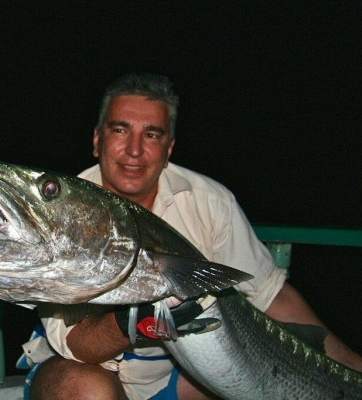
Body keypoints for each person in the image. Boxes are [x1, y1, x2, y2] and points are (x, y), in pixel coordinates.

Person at [18, 73, 362, 399]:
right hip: (84, 366)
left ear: (169, 149)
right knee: (82, 390)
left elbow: (270, 295)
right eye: (120, 130)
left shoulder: (209, 202)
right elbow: (77, 345)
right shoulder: (62, 210)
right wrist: (134, 323)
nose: (134, 150)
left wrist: (354, 366)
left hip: (177, 373)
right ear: (97, 140)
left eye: (152, 135)